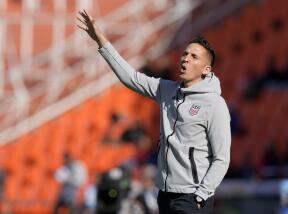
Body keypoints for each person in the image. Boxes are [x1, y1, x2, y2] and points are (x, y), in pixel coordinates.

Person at [77, 9, 231, 214]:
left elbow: (222, 157)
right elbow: (130, 77)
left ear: (206, 69)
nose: (185, 59)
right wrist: (101, 41)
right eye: (185, 54)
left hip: (192, 198)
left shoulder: (215, 104)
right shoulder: (166, 90)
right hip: (165, 195)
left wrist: (201, 195)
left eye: (194, 56)